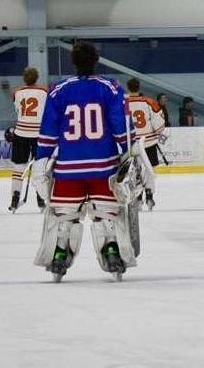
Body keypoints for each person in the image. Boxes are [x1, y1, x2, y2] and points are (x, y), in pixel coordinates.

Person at [34, 42, 133, 281]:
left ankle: (59, 255)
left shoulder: (58, 90)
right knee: (107, 215)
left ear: (74, 62)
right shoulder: (110, 88)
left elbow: (48, 131)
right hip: (103, 166)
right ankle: (111, 251)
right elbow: (121, 127)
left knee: (65, 217)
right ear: (95, 61)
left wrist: (41, 160)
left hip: (68, 168)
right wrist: (129, 153)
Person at [9, 67, 48, 211]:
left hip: (21, 133)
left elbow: (17, 111)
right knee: (40, 169)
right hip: (39, 135)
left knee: (18, 168)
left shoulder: (17, 93)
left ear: (24, 78)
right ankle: (40, 197)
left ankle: (14, 198)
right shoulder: (44, 92)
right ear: (37, 78)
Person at [126, 78, 166, 210]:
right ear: (139, 87)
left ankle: (137, 195)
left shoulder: (122, 103)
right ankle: (149, 194)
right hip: (148, 142)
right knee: (150, 169)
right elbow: (159, 124)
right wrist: (157, 132)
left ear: (128, 87)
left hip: (130, 144)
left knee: (134, 170)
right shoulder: (149, 102)